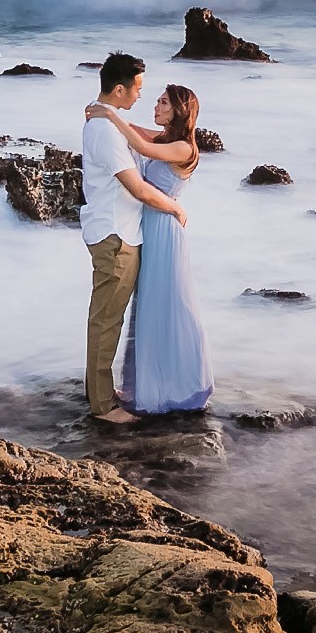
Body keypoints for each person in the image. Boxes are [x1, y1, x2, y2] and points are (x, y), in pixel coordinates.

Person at [87, 85, 215, 414]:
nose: (155, 106)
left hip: (164, 229)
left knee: (168, 306)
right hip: (148, 227)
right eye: (156, 100)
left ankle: (177, 386)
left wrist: (111, 114)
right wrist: (104, 114)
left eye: (162, 102)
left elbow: (140, 145)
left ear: (178, 110)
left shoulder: (183, 148)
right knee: (147, 309)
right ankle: (146, 383)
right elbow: (137, 136)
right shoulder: (164, 138)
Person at [78, 53, 186, 425]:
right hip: (115, 234)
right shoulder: (107, 132)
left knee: (108, 317)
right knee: (107, 320)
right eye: (138, 89)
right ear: (120, 88)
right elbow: (137, 187)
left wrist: (106, 112)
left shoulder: (109, 122)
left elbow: (150, 141)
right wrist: (173, 208)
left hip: (119, 230)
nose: (142, 95)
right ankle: (103, 406)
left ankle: (99, 388)